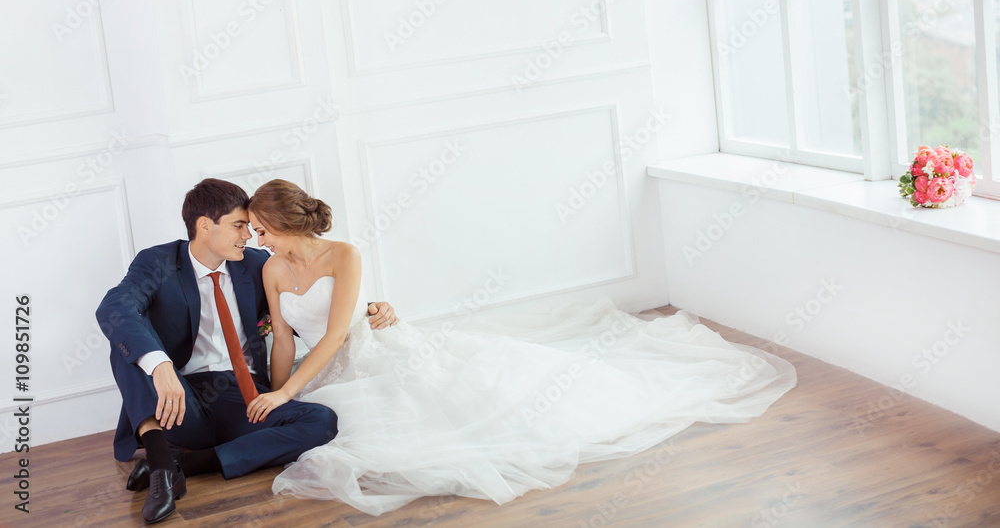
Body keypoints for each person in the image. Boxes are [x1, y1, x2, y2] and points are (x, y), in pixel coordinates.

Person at [246, 179, 798, 517]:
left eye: (258, 228)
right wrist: (278, 393)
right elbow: (285, 342)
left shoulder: (343, 255)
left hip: (369, 351)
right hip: (322, 371)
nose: (254, 238)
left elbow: (340, 333)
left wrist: (290, 390)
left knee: (457, 406)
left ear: (276, 221)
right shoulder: (270, 270)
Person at [95, 178, 398, 523]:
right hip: (182, 399)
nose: (250, 237)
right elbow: (114, 309)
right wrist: (162, 367)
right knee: (127, 344)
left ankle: (183, 464)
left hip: (244, 396)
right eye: (240, 226)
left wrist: (368, 307)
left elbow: (307, 305)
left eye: (253, 228)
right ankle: (162, 469)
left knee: (322, 421)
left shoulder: (256, 264)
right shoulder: (158, 263)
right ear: (205, 226)